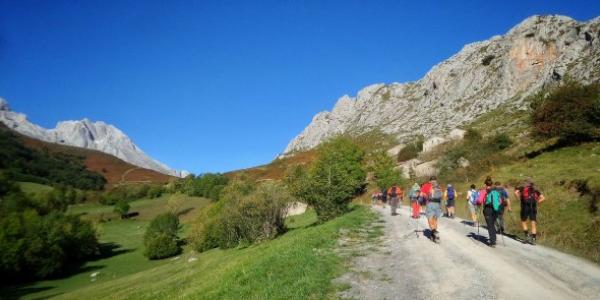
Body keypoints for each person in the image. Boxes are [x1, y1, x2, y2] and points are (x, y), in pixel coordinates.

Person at [515, 179, 545, 244]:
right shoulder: (536, 190)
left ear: (527, 183)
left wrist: (518, 199)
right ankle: (533, 239)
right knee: (533, 222)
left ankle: (527, 236)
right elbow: (543, 198)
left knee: (523, 221)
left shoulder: (523, 188)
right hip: (533, 207)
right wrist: (538, 202)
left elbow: (516, 192)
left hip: (525, 207)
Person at [482, 178, 502, 247]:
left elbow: (479, 200)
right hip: (496, 209)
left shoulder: (485, 191)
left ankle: (492, 241)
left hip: (488, 209)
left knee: (490, 225)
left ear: (485, 184)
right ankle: (494, 238)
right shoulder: (496, 191)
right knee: (492, 224)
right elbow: (500, 201)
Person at [426, 177, 442, 242]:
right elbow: (441, 196)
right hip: (438, 204)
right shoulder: (439, 187)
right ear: (436, 180)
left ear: (430, 181)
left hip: (430, 204)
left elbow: (422, 195)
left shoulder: (427, 186)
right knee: (435, 220)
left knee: (429, 219)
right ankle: (434, 236)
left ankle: (434, 232)